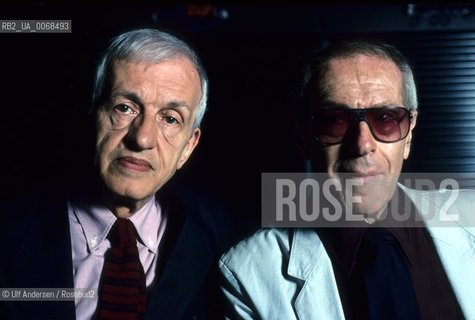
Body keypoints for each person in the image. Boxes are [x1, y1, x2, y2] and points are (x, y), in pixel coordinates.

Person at [219, 40, 475, 319]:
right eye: (335, 121)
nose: (362, 145)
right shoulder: (246, 271)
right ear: (303, 135)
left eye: (386, 118)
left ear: (409, 133)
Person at [0, 28, 233, 319]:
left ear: (188, 147)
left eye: (170, 119)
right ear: (91, 113)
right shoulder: (9, 234)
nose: (143, 139)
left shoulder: (223, 239)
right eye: (125, 108)